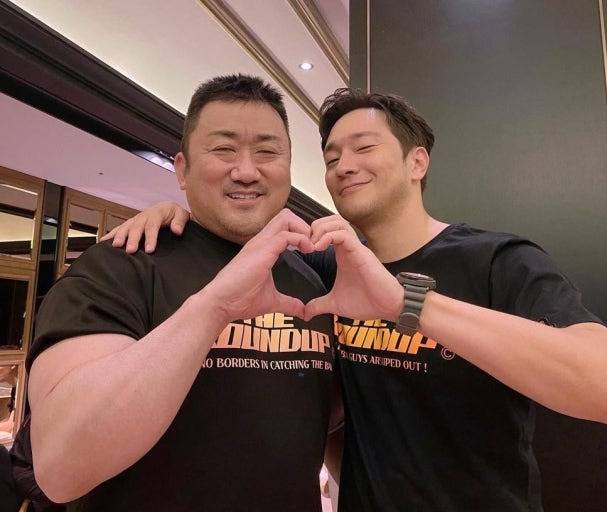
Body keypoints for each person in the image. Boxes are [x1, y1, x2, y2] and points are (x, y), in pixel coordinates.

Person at [107, 86, 607, 511]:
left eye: (364, 148)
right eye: (331, 158)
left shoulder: (497, 260)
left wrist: (409, 304)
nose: (344, 166)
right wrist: (175, 219)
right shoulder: (328, 270)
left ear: (417, 161)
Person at [26, 74, 340, 512]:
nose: (246, 171)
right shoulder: (121, 266)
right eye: (223, 149)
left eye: (267, 152)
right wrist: (213, 307)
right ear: (181, 168)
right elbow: (61, 468)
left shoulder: (311, 280)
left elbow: (325, 427)